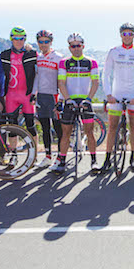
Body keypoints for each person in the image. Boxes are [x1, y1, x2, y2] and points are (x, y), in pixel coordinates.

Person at [50, 33, 99, 174]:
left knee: (89, 132)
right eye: (73, 46)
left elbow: (95, 82)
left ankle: (94, 161)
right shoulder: (64, 62)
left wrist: (88, 99)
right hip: (69, 99)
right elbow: (61, 83)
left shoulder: (91, 62)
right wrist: (67, 99)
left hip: (85, 100)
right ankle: (62, 161)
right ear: (69, 48)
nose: (76, 48)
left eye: (78, 45)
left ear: (83, 46)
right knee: (66, 133)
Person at [103, 23, 134, 170]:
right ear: (121, 35)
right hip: (116, 94)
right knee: (112, 127)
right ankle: (107, 158)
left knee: (133, 126)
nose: (127, 36)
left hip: (133, 95)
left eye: (130, 33)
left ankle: (133, 156)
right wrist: (108, 94)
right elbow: (105, 74)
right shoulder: (114, 52)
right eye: (124, 33)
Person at [0, 27, 38, 164]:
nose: (18, 41)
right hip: (11, 95)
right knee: (12, 126)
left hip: (27, 95)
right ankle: (14, 155)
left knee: (30, 126)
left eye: (21, 38)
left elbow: (41, 71)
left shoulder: (31, 53)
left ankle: (34, 155)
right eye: (15, 38)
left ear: (25, 39)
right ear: (11, 39)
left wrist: (35, 92)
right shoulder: (4, 55)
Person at [33, 29, 64, 169]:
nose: (43, 44)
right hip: (41, 96)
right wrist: (33, 93)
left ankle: (60, 157)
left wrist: (61, 98)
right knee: (45, 128)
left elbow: (63, 80)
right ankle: (47, 157)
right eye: (41, 42)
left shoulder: (58, 57)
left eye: (46, 41)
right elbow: (36, 77)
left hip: (54, 96)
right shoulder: (38, 57)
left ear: (51, 42)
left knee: (58, 129)